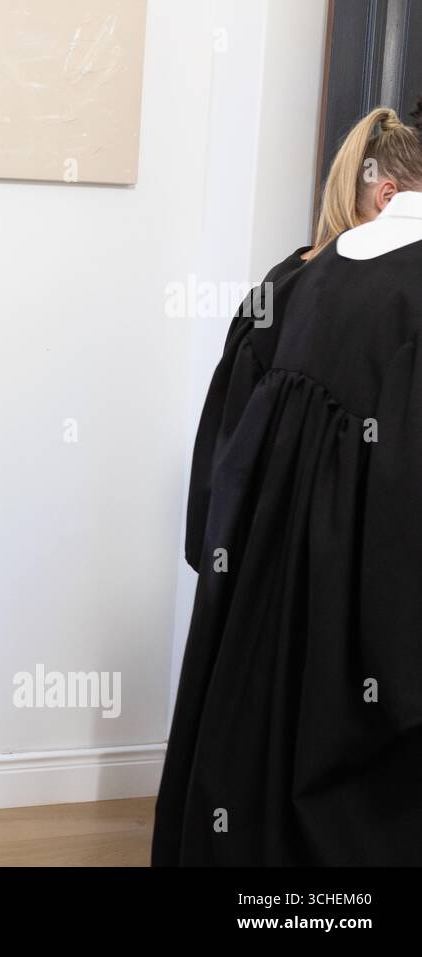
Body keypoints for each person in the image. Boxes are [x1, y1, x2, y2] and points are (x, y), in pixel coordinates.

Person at [152, 104, 422, 865]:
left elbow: (227, 462)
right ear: (388, 193)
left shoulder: (306, 281)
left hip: (268, 603)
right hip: (350, 608)